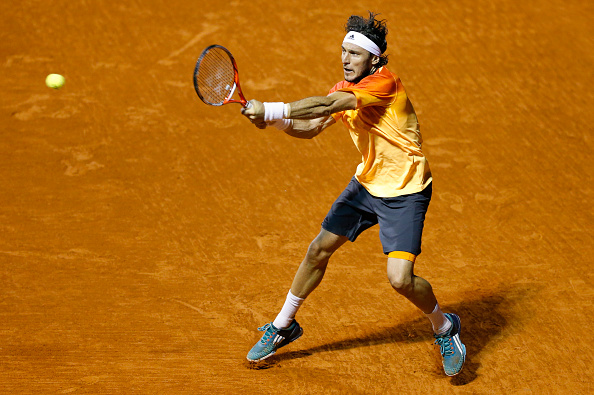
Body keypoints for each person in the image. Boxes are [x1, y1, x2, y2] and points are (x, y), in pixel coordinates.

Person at [241, 12, 466, 376]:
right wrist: (276, 122)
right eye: (343, 52)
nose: (345, 60)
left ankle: (444, 326)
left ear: (373, 60)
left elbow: (329, 106)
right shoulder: (342, 91)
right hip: (367, 185)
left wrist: (271, 107)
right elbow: (311, 126)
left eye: (354, 54)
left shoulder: (384, 84)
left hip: (406, 190)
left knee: (400, 279)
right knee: (318, 249)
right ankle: (283, 325)